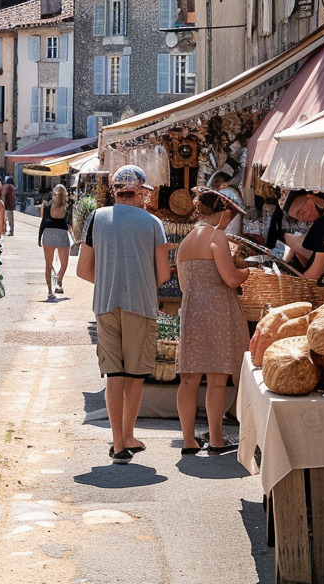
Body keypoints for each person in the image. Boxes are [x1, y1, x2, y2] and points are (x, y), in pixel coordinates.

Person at [75, 165, 172, 465]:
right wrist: (139, 282)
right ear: (141, 192)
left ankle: (119, 442)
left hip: (105, 304)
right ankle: (128, 435)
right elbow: (164, 272)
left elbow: (82, 269)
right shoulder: (153, 223)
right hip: (140, 305)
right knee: (135, 375)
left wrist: (108, 281)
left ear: (114, 190)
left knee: (113, 374)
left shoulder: (96, 218)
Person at [175, 189, 252, 455]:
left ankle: (188, 440)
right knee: (217, 379)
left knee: (189, 379)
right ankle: (216, 439)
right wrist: (248, 271)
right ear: (224, 213)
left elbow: (184, 284)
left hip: (192, 310)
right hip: (217, 311)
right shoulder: (216, 235)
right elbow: (230, 279)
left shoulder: (186, 241)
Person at [38, 183, 72, 299]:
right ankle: (59, 280)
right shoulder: (68, 207)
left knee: (48, 265)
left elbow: (43, 222)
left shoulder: (46, 205)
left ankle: (49, 292)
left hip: (48, 234)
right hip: (62, 234)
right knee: (64, 263)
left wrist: (39, 237)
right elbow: (70, 223)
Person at [210, 170, 244, 237]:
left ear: (223, 184)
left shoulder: (225, 192)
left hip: (227, 227)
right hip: (235, 226)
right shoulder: (234, 191)